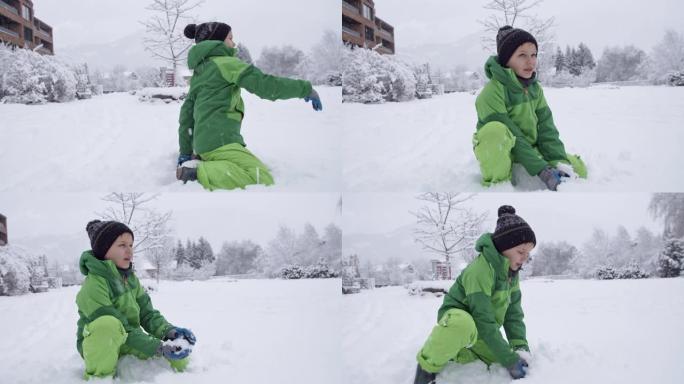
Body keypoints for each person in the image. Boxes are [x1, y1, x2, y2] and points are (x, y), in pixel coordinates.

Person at [176, 21, 323, 190]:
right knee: (260, 177)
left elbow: (186, 114)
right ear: (216, 41)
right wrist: (304, 89)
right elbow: (266, 86)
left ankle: (204, 162)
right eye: (230, 38)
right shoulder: (226, 63)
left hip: (205, 144)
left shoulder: (200, 73)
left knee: (247, 169)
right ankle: (197, 172)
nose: (234, 43)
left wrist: (185, 151)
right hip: (220, 141)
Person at [414, 205, 534, 383]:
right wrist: (508, 359)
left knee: (498, 360)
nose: (525, 257)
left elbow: (513, 315)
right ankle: (427, 365)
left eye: (528, 253)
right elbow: (483, 319)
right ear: (503, 248)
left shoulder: (511, 275)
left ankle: (459, 351)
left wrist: (520, 350)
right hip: (458, 320)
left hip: (479, 330)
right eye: (520, 252)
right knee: (463, 325)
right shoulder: (480, 271)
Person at [76, 219, 196, 378]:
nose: (130, 251)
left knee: (177, 356)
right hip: (102, 344)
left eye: (131, 245)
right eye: (122, 245)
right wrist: (157, 347)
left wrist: (170, 332)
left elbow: (148, 314)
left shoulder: (130, 279)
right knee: (107, 324)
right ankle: (99, 378)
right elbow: (122, 328)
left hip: (131, 340)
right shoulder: (94, 286)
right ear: (103, 250)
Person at [474, 26, 587, 191]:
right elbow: (513, 135)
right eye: (522, 55)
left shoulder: (535, 89)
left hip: (531, 153)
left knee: (578, 170)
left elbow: (546, 128)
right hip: (502, 152)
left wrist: (558, 162)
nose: (531, 61)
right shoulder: (492, 92)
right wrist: (541, 169)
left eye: (534, 55)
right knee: (494, 131)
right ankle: (500, 187)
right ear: (506, 60)